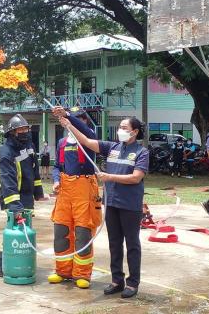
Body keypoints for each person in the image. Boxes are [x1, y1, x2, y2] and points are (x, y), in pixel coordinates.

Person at [59, 116, 149, 298]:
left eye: (124, 127)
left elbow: (136, 177)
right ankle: (117, 280)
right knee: (114, 243)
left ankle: (132, 283)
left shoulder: (142, 152)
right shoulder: (112, 147)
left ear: (135, 131)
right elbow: (85, 141)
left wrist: (109, 177)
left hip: (130, 205)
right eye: (120, 127)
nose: (120, 130)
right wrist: (69, 124)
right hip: (112, 203)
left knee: (132, 244)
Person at [48, 106, 101, 289]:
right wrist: (55, 180)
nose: (75, 121)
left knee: (83, 233)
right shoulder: (62, 142)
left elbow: (86, 132)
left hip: (84, 190)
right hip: (65, 191)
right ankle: (62, 271)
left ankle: (82, 274)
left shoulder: (89, 139)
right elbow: (57, 167)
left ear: (85, 121)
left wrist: (69, 116)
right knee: (61, 231)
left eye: (81, 118)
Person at [0, 114, 44, 277]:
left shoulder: (28, 145)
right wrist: (15, 206)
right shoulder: (6, 151)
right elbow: (8, 180)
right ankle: (3, 265)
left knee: (25, 229)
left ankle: (22, 262)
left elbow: (34, 169)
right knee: (14, 229)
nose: (24, 132)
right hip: (12, 194)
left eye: (26, 129)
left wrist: (38, 192)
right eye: (20, 129)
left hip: (26, 193)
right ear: (12, 132)